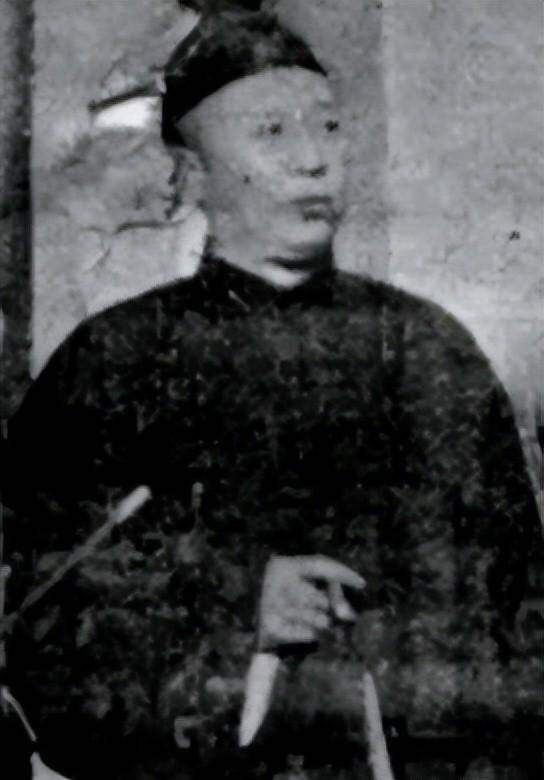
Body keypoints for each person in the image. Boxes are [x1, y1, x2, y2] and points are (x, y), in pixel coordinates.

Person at [2, 4, 541, 779]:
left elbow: (519, 625)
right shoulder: (110, 367)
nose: (314, 160)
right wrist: (237, 616)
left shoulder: (431, 353)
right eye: (272, 133)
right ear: (193, 174)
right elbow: (40, 636)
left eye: (328, 127)